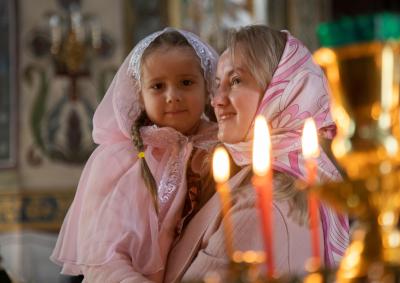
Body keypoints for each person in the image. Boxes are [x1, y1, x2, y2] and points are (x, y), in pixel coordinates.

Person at [163, 25, 349, 282]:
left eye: (236, 81)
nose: (217, 99)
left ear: (281, 91)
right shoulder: (310, 172)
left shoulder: (264, 205)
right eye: (218, 84)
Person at [50, 27, 218, 282]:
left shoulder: (223, 150)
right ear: (140, 95)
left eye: (186, 82)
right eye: (158, 86)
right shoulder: (120, 160)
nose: (173, 96)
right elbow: (103, 255)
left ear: (207, 88)